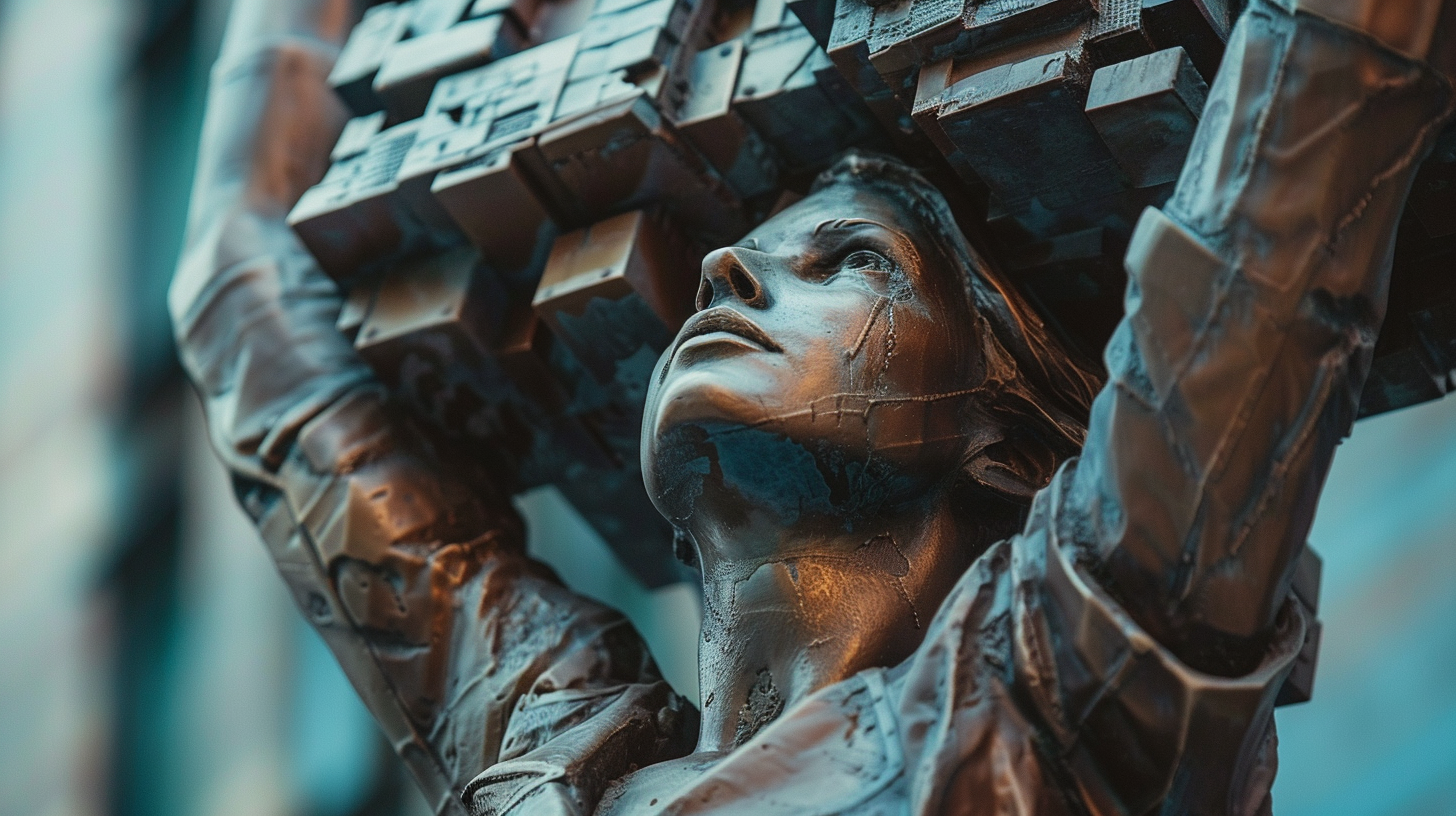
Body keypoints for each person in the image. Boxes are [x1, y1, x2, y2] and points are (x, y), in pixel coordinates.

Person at [170, 0, 1456, 813]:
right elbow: (247, 315)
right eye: (751, 256)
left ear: (1006, 440)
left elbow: (1275, 240)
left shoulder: (1049, 714)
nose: (727, 267)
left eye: (849, 261)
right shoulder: (548, 766)